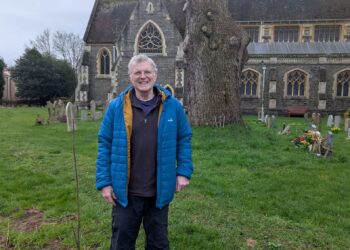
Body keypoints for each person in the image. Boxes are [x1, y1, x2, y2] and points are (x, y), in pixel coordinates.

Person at [96, 54, 193, 250]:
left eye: (147, 72)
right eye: (137, 72)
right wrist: (104, 183)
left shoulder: (172, 106)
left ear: (155, 75)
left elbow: (184, 138)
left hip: (158, 191)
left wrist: (183, 171)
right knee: (121, 244)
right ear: (130, 77)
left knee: (158, 244)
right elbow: (104, 143)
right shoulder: (117, 107)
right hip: (124, 192)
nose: (143, 77)